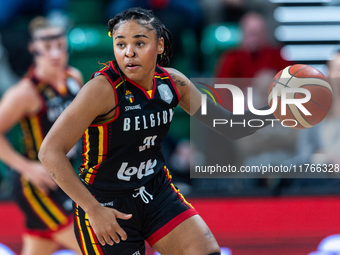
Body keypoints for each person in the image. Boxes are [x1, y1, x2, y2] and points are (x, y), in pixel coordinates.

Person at [39, 7, 273, 255]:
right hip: (106, 202)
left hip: (155, 191)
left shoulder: (173, 82)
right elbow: (50, 152)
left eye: (139, 43)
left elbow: (230, 127)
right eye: (120, 44)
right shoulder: (101, 89)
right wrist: (93, 209)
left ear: (160, 45)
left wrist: (275, 110)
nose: (129, 52)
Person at [0, 17, 82, 255]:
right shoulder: (25, 92)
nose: (55, 54)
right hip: (38, 184)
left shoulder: (73, 78)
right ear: (34, 48)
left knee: (38, 249)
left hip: (65, 178)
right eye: (47, 48)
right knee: (95, 246)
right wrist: (27, 167)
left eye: (60, 46)